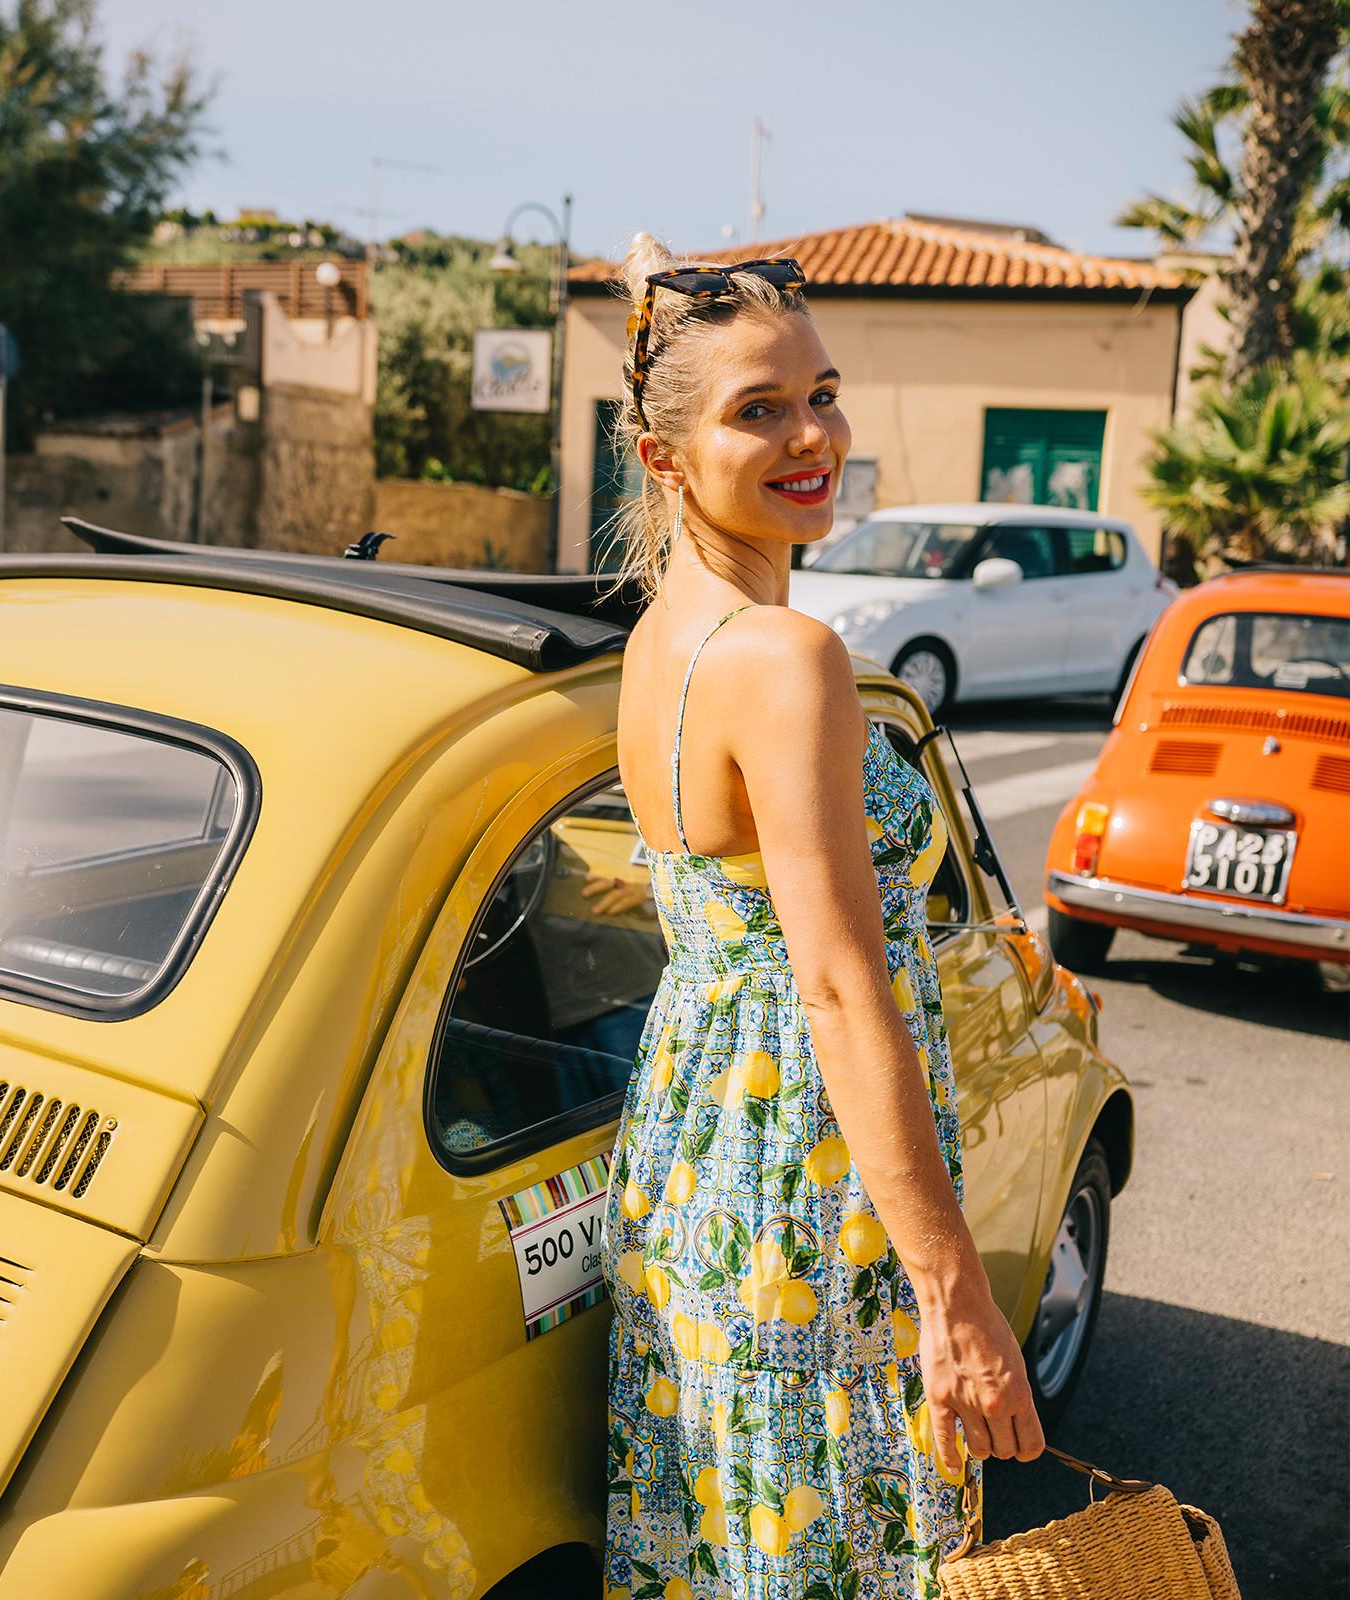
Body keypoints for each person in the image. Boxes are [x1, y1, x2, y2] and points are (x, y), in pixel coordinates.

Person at [599, 233, 1045, 1600]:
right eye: (760, 410)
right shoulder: (786, 658)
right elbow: (842, 991)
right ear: (668, 458)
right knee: (845, 1544)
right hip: (807, 1179)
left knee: (734, 1539)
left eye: (823, 394)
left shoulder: (663, 632)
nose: (815, 436)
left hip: (691, 1157)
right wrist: (953, 1292)